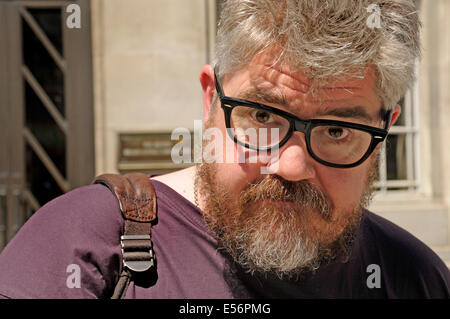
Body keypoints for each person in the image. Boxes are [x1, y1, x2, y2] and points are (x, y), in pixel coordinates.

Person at [0, 0, 449, 299]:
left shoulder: (417, 277)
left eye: (336, 131)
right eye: (263, 116)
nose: (292, 166)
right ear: (210, 96)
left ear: (385, 129)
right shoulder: (78, 248)